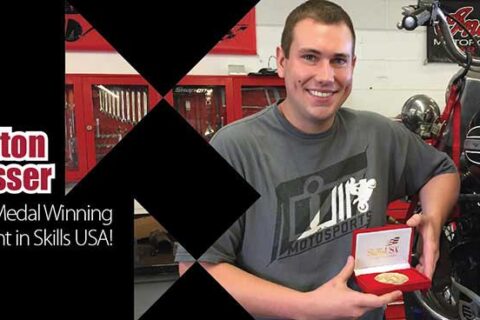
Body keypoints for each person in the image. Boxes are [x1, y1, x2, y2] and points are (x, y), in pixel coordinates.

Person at [175, 0, 460, 319]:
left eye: (339, 60)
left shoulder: (378, 133)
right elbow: (195, 267)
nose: (326, 76)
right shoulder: (231, 146)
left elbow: (441, 172)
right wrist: (307, 307)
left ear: (353, 64)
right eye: (310, 57)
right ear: (282, 61)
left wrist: (433, 221)